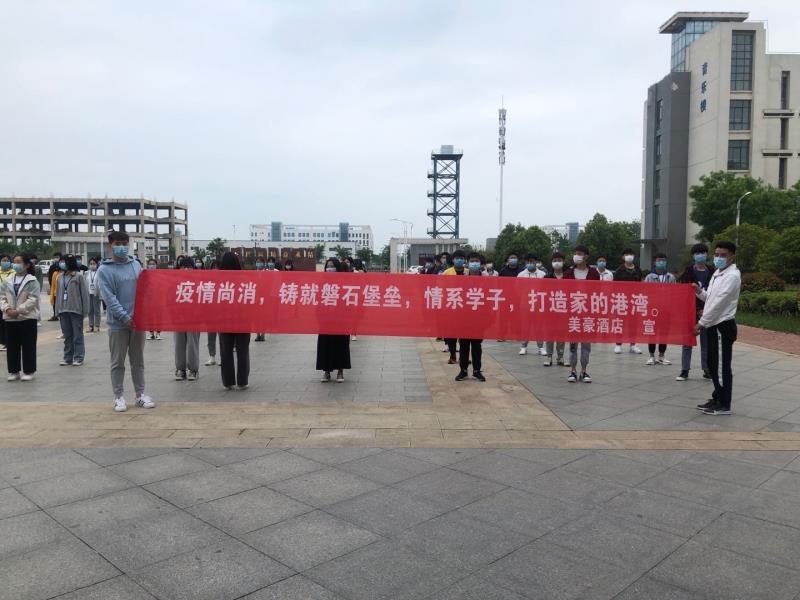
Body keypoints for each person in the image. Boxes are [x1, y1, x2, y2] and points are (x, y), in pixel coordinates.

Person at [97, 230, 155, 412]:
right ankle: (118, 397)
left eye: (125, 243)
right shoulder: (104, 270)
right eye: (118, 244)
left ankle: (140, 395)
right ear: (111, 245)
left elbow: (145, 289)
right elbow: (109, 298)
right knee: (117, 362)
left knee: (138, 361)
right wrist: (124, 317)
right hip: (118, 324)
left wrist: (143, 314)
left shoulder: (135, 265)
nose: (122, 247)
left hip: (138, 323)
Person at [695, 241, 741, 416]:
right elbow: (711, 298)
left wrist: (701, 323)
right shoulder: (718, 273)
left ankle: (724, 403)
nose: (719, 258)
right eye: (717, 255)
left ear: (732, 256)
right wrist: (699, 292)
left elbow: (719, 303)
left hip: (722, 325)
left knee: (722, 366)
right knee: (713, 364)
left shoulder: (732, 276)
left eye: (723, 255)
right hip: (713, 324)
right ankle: (717, 396)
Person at [563, 245, 600, 383]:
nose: (576, 256)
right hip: (573, 313)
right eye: (575, 253)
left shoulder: (594, 273)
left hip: (587, 313)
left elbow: (598, 293)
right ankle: (572, 370)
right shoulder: (568, 273)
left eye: (579, 253)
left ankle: (584, 371)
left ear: (586, 256)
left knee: (586, 345)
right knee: (573, 344)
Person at [1, 254, 40, 381]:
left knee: (28, 345)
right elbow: (1, 297)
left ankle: (29, 371)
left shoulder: (32, 280)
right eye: (14, 262)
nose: (15, 264)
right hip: (10, 318)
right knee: (12, 346)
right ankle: (14, 371)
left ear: (27, 265)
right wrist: (7, 309)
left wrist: (18, 311)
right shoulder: (7, 280)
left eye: (19, 262)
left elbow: (33, 299)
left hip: (27, 318)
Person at [677, 243, 712, 381]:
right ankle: (685, 370)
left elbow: (715, 294)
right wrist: (697, 309)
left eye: (703, 253)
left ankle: (707, 369)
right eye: (697, 253)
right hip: (690, 311)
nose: (700, 255)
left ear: (707, 255)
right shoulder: (688, 272)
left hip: (707, 311)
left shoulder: (713, 272)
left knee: (706, 342)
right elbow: (684, 293)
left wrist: (705, 309)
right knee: (688, 341)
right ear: (693, 256)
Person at [217, 252, 250, 389]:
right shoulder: (245, 279)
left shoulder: (218, 280)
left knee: (226, 351)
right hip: (243, 319)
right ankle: (242, 381)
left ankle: (228, 382)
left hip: (224, 319)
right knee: (243, 351)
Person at [453, 252, 486, 382]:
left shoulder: (486, 279)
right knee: (464, 345)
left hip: (479, 318)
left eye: (477, 261)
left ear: (481, 263)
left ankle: (477, 371)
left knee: (477, 345)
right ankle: (463, 370)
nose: (474, 263)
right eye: (472, 261)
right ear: (467, 263)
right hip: (464, 317)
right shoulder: (461, 278)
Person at [317, 258, 351, 382]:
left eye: (332, 266)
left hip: (341, 320)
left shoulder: (344, 283)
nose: (329, 268)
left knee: (340, 344)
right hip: (325, 319)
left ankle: (340, 371)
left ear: (337, 268)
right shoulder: (322, 283)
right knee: (325, 344)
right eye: (327, 266)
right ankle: (326, 371)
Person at [55, 254, 90, 367]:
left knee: (77, 335)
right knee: (67, 335)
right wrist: (57, 310)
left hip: (76, 310)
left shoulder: (78, 276)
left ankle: (79, 357)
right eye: (61, 262)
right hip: (63, 310)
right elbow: (58, 294)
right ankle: (68, 358)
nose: (62, 264)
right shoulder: (59, 277)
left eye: (64, 261)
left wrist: (85, 310)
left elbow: (84, 294)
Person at [644, 252, 676, 365]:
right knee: (652, 332)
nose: (661, 262)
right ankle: (651, 356)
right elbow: (645, 292)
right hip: (652, 309)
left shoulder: (670, 277)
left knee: (664, 333)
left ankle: (661, 356)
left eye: (663, 260)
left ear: (666, 262)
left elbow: (674, 293)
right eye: (659, 260)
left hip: (665, 309)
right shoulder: (649, 277)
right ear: (654, 262)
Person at [173, 257, 201, 381]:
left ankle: (193, 370)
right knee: (179, 343)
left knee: (192, 344)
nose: (186, 269)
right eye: (183, 266)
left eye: (189, 266)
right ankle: (180, 369)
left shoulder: (198, 282)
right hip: (178, 317)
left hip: (194, 317)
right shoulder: (174, 281)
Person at [613, 248, 643, 355]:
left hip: (634, 300)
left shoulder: (638, 270)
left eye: (631, 254)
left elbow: (641, 284)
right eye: (626, 254)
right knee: (620, 322)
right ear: (623, 257)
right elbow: (614, 286)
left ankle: (633, 345)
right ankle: (618, 344)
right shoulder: (619, 270)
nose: (629, 256)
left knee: (633, 323)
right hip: (622, 299)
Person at [441, 250, 468, 364]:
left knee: (465, 334)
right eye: (457, 258)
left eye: (461, 258)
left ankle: (464, 356)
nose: (459, 260)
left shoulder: (468, 272)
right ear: (453, 260)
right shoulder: (447, 273)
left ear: (464, 260)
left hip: (466, 308)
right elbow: (440, 289)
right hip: (451, 307)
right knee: (451, 333)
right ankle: (452, 355)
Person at [517, 253, 546, 356]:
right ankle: (523, 346)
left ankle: (541, 347)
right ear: (525, 262)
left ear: (536, 262)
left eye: (532, 261)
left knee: (539, 326)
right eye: (528, 261)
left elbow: (546, 289)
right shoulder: (521, 275)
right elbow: (517, 290)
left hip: (538, 304)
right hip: (525, 304)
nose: (530, 263)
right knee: (525, 326)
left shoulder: (542, 274)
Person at [543, 252, 567, 367]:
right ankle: (549, 356)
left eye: (559, 260)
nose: (557, 262)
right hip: (550, 309)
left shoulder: (568, 276)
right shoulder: (547, 277)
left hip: (564, 309)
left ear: (563, 262)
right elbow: (542, 293)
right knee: (550, 334)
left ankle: (560, 356)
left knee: (561, 334)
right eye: (554, 260)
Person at [205, 259, 219, 366]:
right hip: (210, 313)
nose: (215, 269)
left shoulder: (226, 281)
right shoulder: (208, 282)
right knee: (211, 336)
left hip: (222, 313)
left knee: (223, 337)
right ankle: (212, 356)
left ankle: (223, 356)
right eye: (213, 267)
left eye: (217, 267)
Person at [85, 256, 103, 333]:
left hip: (96, 294)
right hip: (89, 293)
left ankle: (97, 326)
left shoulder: (99, 273)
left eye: (94, 263)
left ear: (97, 264)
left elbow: (101, 284)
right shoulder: (86, 273)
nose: (92, 265)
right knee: (90, 310)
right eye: (91, 263)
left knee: (97, 310)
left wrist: (101, 295)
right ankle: (91, 326)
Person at [0, 254, 13, 352]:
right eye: (3, 260)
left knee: (7, 322)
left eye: (7, 260)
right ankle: (2, 342)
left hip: (8, 300)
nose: (5, 262)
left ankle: (8, 342)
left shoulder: (14, 273)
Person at [254, 256, 268, 342]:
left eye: (260, 262)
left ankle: (263, 334)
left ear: (263, 263)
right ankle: (257, 334)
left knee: (263, 316)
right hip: (255, 296)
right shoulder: (253, 273)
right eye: (257, 262)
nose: (258, 263)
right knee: (256, 317)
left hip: (264, 296)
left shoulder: (267, 273)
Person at [46, 253, 62, 321]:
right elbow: (50, 276)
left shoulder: (63, 265)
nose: (56, 258)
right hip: (54, 286)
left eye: (57, 257)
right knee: (54, 301)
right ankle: (55, 315)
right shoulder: (52, 267)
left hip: (62, 286)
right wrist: (51, 285)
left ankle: (62, 314)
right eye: (55, 257)